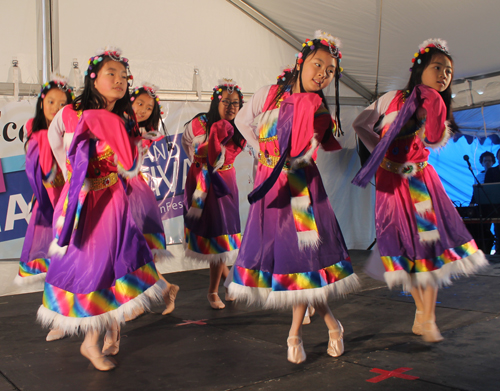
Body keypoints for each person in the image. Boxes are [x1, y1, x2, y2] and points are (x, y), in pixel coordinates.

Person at [227, 31, 360, 364]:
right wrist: (259, 152)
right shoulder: (269, 95)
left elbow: (303, 145)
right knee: (288, 263)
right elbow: (242, 121)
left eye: (330, 71)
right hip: (270, 185)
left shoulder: (316, 108)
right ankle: (332, 324)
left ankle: (294, 334)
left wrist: (309, 107)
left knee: (300, 262)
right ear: (301, 62)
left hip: (300, 187)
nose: (323, 74)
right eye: (318, 65)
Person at [352, 39, 488, 343]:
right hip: (391, 187)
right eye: (437, 67)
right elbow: (360, 124)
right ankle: (421, 312)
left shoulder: (436, 104)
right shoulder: (391, 98)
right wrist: (380, 153)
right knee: (405, 252)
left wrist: (435, 107)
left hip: (421, 186)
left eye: (449, 71)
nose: (444, 74)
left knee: (428, 249)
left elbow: (433, 139)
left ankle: (428, 317)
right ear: (419, 69)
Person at [38, 48, 165, 371]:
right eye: (112, 74)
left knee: (113, 263)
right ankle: (89, 337)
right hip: (83, 201)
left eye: (124, 77)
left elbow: (131, 159)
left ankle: (101, 338)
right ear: (93, 78)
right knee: (90, 267)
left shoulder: (126, 117)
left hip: (114, 197)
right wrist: (73, 181)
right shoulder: (71, 113)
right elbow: (56, 145)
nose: (120, 81)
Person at [15, 76, 73, 342]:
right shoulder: (36, 132)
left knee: (78, 261)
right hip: (51, 205)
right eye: (51, 101)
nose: (56, 107)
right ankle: (58, 317)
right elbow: (38, 173)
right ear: (42, 103)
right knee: (55, 264)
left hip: (74, 200)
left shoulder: (73, 130)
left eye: (63, 103)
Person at [182, 78, 246, 309]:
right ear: (215, 101)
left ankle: (215, 290)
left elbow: (220, 160)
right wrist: (196, 162)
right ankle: (219, 287)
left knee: (221, 236)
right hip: (199, 181)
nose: (231, 106)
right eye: (226, 101)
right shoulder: (199, 122)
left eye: (235, 103)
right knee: (207, 233)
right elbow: (186, 142)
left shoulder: (240, 130)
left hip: (222, 184)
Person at [127, 83, 179, 317]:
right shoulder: (122, 125)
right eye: (140, 104)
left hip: (131, 192)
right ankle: (160, 290)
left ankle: (152, 294)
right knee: (132, 251)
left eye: (149, 108)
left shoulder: (143, 135)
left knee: (131, 249)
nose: (143, 110)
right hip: (128, 190)